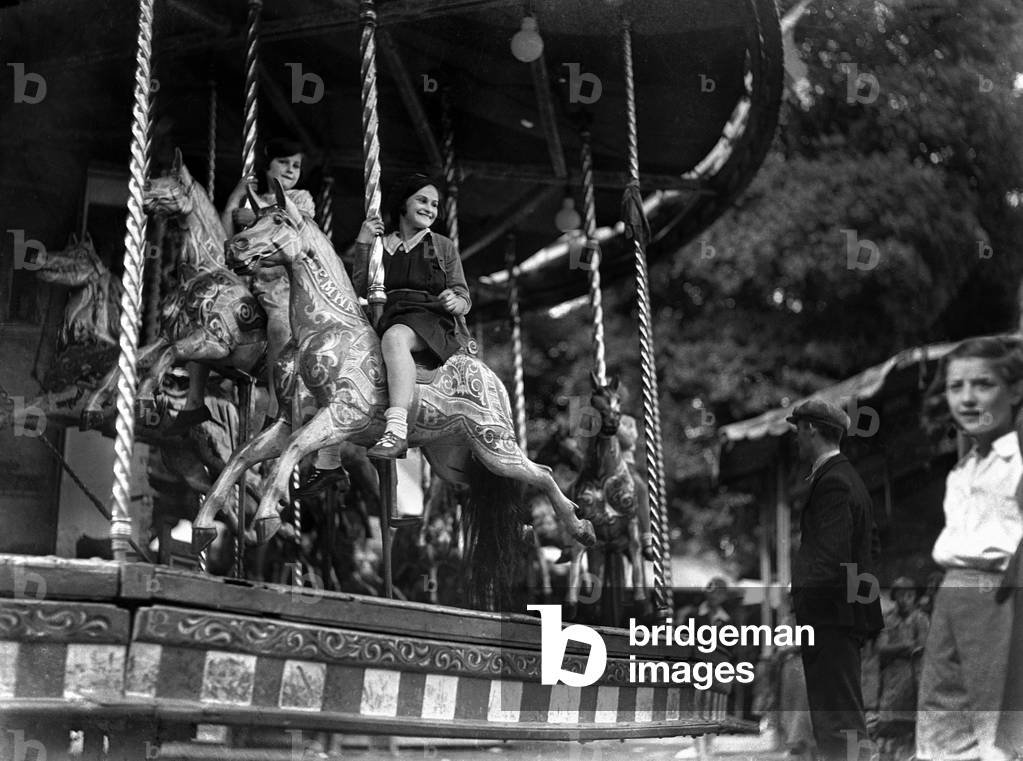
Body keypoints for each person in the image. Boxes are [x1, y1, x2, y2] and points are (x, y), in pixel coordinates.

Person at [219, 137, 346, 496]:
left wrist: (249, 214)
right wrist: (237, 198)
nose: (292, 171)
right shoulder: (250, 198)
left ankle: (279, 403)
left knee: (279, 326)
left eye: (295, 165)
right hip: (254, 284)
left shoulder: (300, 198)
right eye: (284, 163)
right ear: (267, 166)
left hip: (287, 287)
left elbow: (291, 230)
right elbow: (227, 232)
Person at [916, 336, 1023, 761]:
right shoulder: (961, 470)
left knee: (999, 731)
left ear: (1014, 390)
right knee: (942, 721)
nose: (967, 398)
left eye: (982, 384)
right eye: (956, 387)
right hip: (951, 596)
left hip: (999, 597)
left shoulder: (1018, 461)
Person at [788, 399, 883, 761]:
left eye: (798, 429)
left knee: (835, 715)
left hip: (830, 616)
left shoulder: (835, 482)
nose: (796, 438)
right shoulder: (846, 478)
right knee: (841, 712)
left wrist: (804, 601)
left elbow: (829, 557)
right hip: (843, 614)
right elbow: (870, 546)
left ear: (811, 428)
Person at [352, 174, 471, 459]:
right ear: (403, 203)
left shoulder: (440, 245)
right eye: (422, 200)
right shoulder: (382, 246)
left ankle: (396, 430)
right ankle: (328, 459)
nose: (430, 208)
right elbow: (358, 287)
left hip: (429, 318)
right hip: (388, 313)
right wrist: (363, 243)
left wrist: (455, 301)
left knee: (394, 338)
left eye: (434, 204)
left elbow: (463, 295)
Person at [876, 577, 928, 761]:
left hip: (915, 680)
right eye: (901, 595)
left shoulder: (921, 619)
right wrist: (905, 646)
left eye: (909, 595)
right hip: (892, 681)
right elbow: (881, 648)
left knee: (912, 732)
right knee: (888, 731)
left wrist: (899, 649)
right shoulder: (888, 620)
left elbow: (921, 647)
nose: (905, 599)